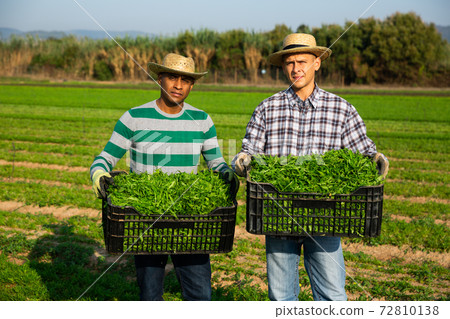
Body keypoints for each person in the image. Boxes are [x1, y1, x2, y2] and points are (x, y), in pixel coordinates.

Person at [232, 33, 389, 301]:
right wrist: (242, 160)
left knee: (332, 295)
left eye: (302, 61)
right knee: (281, 297)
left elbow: (364, 151)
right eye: (290, 62)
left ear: (317, 63)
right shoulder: (267, 108)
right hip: (278, 213)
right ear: (283, 67)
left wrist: (375, 159)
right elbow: (251, 151)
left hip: (326, 214)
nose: (296, 68)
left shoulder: (341, 109)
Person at [90, 53, 238, 301]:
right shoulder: (134, 118)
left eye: (186, 80)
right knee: (150, 294)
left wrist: (228, 174)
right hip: (145, 218)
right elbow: (105, 158)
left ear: (192, 85)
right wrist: (99, 174)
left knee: (200, 293)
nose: (178, 85)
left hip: (190, 218)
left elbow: (216, 163)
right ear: (160, 79)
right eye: (172, 77)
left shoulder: (201, 120)